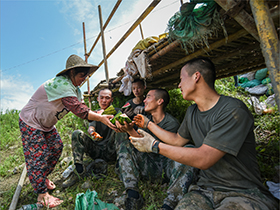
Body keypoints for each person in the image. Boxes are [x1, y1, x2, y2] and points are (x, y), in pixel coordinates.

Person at [131, 57, 279, 210]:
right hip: (204, 191)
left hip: (242, 193)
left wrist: (154, 146)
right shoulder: (192, 111)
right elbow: (177, 140)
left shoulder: (233, 110)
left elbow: (204, 158)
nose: (179, 84)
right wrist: (148, 124)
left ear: (196, 76)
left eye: (181, 79)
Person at [19, 55, 117, 208]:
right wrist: (100, 118)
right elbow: (79, 111)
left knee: (56, 147)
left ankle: (41, 178)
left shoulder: (75, 90)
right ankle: (41, 195)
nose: (84, 78)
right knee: (38, 154)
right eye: (81, 75)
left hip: (46, 124)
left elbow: (84, 108)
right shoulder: (62, 85)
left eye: (86, 75)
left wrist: (100, 115)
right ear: (72, 73)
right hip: (31, 122)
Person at [115, 88, 196, 210]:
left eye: (148, 97)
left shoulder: (171, 123)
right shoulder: (145, 119)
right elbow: (141, 143)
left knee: (187, 151)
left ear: (160, 101)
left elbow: (170, 150)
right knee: (126, 145)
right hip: (149, 164)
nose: (144, 100)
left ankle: (170, 203)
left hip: (165, 169)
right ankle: (133, 194)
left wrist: (148, 126)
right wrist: (129, 130)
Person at [62, 88, 121, 188]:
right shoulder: (94, 114)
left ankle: (121, 166)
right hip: (97, 151)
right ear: (97, 99)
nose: (104, 100)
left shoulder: (117, 112)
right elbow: (91, 127)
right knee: (77, 133)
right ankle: (79, 170)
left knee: (120, 132)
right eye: (101, 98)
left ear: (112, 100)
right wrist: (92, 133)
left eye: (107, 98)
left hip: (112, 150)